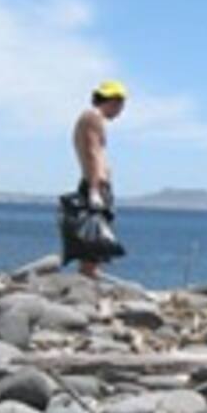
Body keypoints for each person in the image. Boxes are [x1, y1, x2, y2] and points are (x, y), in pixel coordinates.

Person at [72, 80, 127, 277]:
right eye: (121, 105)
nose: (121, 111)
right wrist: (95, 191)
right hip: (94, 186)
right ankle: (87, 284)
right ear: (114, 101)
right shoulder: (93, 118)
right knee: (93, 245)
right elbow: (93, 153)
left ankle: (88, 280)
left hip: (93, 184)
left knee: (94, 245)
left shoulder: (89, 119)